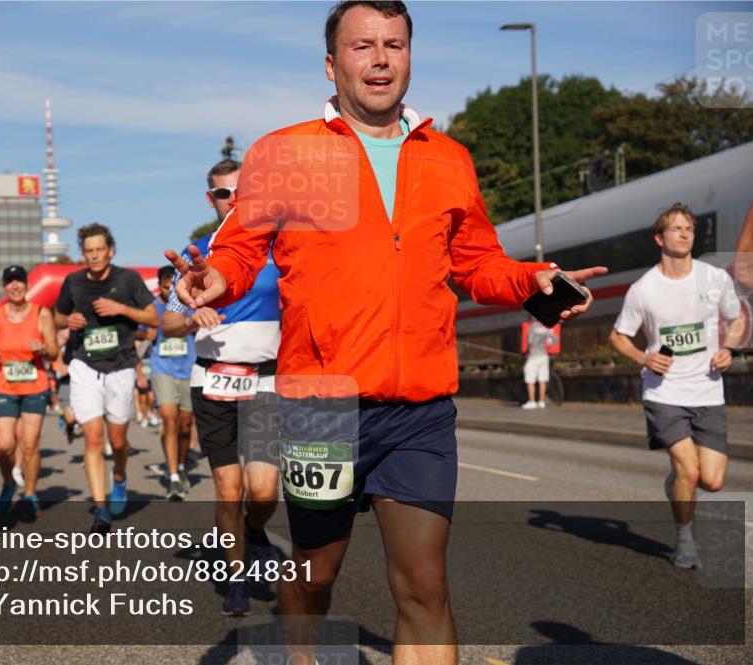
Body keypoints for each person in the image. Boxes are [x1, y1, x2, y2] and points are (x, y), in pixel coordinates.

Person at [166, 3, 605, 660]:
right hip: (323, 405)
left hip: (419, 410)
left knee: (425, 586)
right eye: (362, 45)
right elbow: (238, 249)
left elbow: (477, 262)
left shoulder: (449, 157)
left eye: (393, 45)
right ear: (332, 62)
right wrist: (215, 280)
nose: (379, 58)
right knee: (314, 576)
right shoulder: (284, 151)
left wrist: (529, 280)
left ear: (409, 56)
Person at [163, 157, 283, 617]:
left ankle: (254, 533)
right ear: (210, 199)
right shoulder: (197, 253)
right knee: (229, 490)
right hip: (212, 378)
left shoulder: (280, 248)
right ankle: (236, 577)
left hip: (266, 378)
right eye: (223, 194)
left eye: (241, 192)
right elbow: (170, 322)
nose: (233, 200)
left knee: (264, 490)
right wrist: (192, 315)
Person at [610, 203, 746, 570]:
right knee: (690, 471)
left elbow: (737, 319)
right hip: (664, 392)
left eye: (689, 228)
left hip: (708, 391)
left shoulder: (714, 278)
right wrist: (644, 358)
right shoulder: (643, 290)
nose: (685, 234)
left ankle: (677, 479)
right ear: (660, 238)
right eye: (676, 228)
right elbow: (618, 336)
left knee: (712, 481)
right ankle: (684, 542)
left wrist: (728, 348)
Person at [54, 224, 158, 534]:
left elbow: (153, 318)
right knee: (94, 439)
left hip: (121, 366)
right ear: (83, 253)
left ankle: (121, 478)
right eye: (89, 251)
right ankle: (101, 510)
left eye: (100, 249)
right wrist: (67, 320)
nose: (95, 255)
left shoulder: (129, 280)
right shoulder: (72, 282)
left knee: (117, 441)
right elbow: (57, 315)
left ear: (110, 250)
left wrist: (121, 308)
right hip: (84, 365)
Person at [0, 265, 59, 519]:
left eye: (19, 282)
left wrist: (43, 350)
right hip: (4, 385)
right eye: (10, 282)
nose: (15, 286)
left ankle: (30, 493)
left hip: (34, 386)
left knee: (29, 444)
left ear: (27, 285)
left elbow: (54, 352)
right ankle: (8, 482)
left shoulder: (42, 313)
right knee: (5, 445)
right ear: (4, 287)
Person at [149, 265, 197, 500]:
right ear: (160, 286)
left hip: (188, 370)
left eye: (173, 287)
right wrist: (145, 333)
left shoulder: (190, 306)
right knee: (169, 420)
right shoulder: (154, 308)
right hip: (162, 370)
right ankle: (174, 478)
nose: (169, 291)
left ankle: (180, 465)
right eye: (165, 287)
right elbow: (140, 332)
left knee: (185, 426)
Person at [522, 318, 557, 409]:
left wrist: (527, 353)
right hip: (544, 355)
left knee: (530, 379)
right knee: (542, 380)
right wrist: (550, 346)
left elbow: (531, 343)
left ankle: (532, 401)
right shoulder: (545, 328)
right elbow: (555, 339)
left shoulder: (532, 327)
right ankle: (541, 401)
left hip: (533, 356)